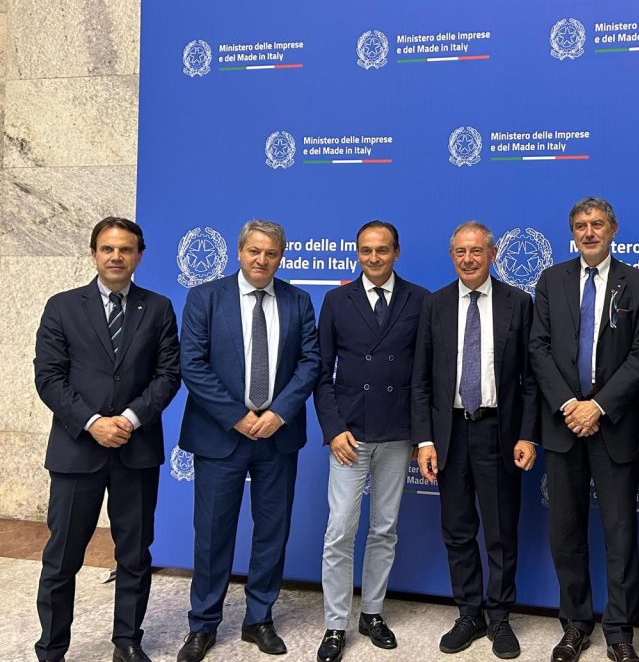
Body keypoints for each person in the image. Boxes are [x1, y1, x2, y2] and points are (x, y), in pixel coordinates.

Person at [34, 217, 181, 662]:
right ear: (94, 254)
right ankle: (52, 648)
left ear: (139, 256)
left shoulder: (158, 308)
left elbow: (168, 374)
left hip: (136, 451)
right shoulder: (62, 306)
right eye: (107, 249)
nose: (116, 257)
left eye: (125, 249)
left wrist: (131, 420)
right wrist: (93, 421)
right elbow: (49, 377)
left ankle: (127, 642)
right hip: (77, 450)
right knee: (62, 558)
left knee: (134, 554)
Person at [176, 220, 320, 662]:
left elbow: (310, 362)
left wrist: (278, 413)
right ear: (239, 252)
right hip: (220, 435)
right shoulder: (205, 297)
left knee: (272, 532)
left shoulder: (298, 300)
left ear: (281, 258)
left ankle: (259, 619)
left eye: (271, 253)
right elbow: (192, 363)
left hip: (277, 436)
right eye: (254, 251)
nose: (262, 260)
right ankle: (203, 624)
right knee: (212, 534)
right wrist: (237, 417)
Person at [530, 197, 639, 662]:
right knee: (565, 532)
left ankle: (620, 632)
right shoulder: (551, 280)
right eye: (581, 225)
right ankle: (575, 625)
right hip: (563, 425)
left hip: (614, 425)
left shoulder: (638, 283)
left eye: (597, 224)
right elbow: (538, 349)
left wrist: (598, 407)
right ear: (573, 232)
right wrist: (570, 405)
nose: (589, 232)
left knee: (620, 534)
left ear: (613, 229)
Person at [411, 221, 539, 659]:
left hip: (498, 431)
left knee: (501, 530)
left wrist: (528, 435)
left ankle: (500, 616)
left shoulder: (518, 303)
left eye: (477, 251)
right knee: (457, 528)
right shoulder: (435, 304)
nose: (468, 259)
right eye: (460, 252)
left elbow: (531, 381)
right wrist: (424, 441)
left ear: (493, 254)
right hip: (449, 432)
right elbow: (421, 380)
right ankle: (469, 613)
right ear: (452, 256)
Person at [313, 220, 429, 662]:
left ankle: (373, 613)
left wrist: (422, 436)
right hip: (350, 434)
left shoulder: (419, 299)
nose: (374, 258)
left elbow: (423, 375)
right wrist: (333, 429)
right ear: (357, 253)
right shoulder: (336, 300)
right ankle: (335, 623)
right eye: (366, 250)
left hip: (397, 433)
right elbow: (321, 373)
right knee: (340, 530)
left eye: (382, 250)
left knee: (384, 528)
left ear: (396, 252)